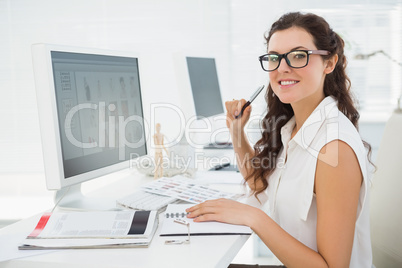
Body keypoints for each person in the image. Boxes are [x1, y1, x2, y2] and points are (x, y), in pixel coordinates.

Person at [186, 12, 373, 267]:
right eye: (274, 58)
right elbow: (260, 183)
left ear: (329, 64)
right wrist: (237, 132)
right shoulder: (295, 127)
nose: (282, 68)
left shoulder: (334, 148)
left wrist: (254, 218)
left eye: (298, 55)